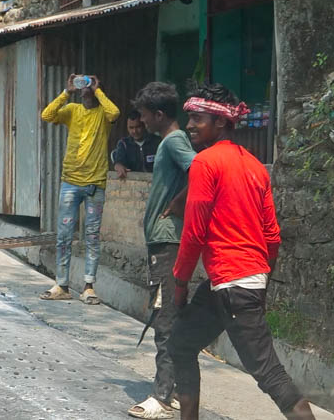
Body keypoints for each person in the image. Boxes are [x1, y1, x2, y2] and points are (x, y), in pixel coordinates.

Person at [171, 83, 316, 420]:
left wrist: (179, 283)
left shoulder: (205, 163)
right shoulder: (254, 166)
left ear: (220, 123)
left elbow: (194, 233)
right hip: (237, 282)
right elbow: (272, 236)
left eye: (197, 118)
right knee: (180, 344)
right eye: (189, 117)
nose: (190, 125)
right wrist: (261, 279)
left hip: (232, 284)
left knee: (271, 377)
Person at [129, 82, 196, 420]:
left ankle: (162, 397)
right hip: (163, 240)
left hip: (169, 241)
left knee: (165, 318)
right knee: (165, 315)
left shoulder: (174, 141)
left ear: (158, 115)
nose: (140, 121)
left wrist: (180, 201)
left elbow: (200, 170)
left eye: (143, 115)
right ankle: (170, 391)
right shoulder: (170, 142)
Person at [40, 73, 120, 304]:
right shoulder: (73, 110)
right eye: (83, 85)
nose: (84, 88)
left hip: (95, 184)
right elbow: (47, 114)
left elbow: (115, 112)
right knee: (64, 236)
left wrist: (98, 90)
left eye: (89, 85)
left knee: (92, 237)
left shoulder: (103, 114)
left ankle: (88, 286)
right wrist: (66, 92)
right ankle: (62, 284)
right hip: (70, 183)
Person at [112, 108, 160, 180]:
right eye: (131, 128)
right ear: (127, 127)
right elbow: (118, 162)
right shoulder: (123, 144)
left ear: (144, 125)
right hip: (133, 185)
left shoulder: (157, 141)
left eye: (138, 127)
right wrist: (119, 167)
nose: (134, 131)